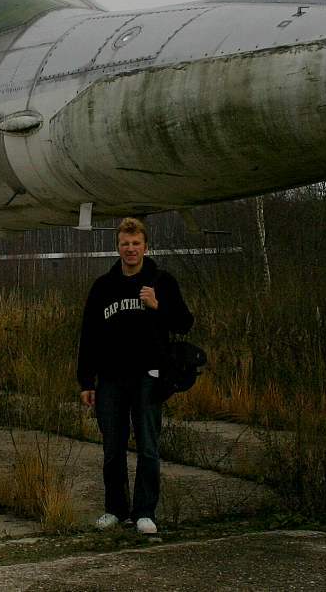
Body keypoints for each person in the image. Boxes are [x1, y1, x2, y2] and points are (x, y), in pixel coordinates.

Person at [77, 217, 194, 534]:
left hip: (149, 376)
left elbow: (184, 323)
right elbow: (89, 336)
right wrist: (86, 381)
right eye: (125, 244)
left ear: (145, 246)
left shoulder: (162, 281)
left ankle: (145, 512)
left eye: (136, 243)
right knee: (112, 448)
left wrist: (158, 306)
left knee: (147, 447)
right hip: (111, 379)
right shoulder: (103, 286)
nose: (131, 249)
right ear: (118, 247)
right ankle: (115, 509)